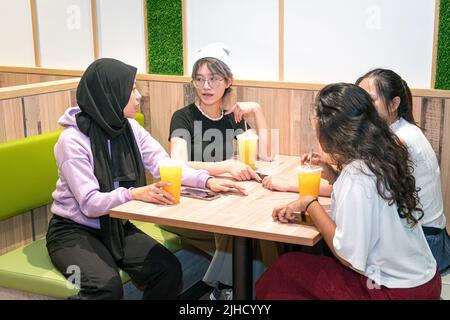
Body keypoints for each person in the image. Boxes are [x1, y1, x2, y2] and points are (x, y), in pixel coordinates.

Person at [46, 58, 242, 300]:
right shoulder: (71, 141)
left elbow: (166, 165)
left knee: (168, 271)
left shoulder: (129, 128)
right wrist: (133, 194)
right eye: (131, 90)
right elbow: (89, 203)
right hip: (73, 231)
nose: (139, 96)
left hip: (116, 225)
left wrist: (206, 181)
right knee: (107, 287)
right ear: (111, 94)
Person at [256, 83, 441, 300]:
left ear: (331, 131)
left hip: (393, 291)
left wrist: (309, 204)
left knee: (283, 272)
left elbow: (348, 255)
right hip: (426, 281)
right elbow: (370, 206)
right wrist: (334, 176)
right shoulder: (383, 156)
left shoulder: (357, 175)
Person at [164, 42, 278, 300]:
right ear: (193, 82)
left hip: (222, 199)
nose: (206, 86)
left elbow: (267, 155)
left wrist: (257, 110)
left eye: (214, 79)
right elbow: (177, 164)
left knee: (253, 223)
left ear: (228, 81)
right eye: (200, 79)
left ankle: (236, 291)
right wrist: (224, 167)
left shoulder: (231, 118)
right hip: (187, 202)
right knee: (238, 226)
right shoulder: (183, 117)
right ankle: (229, 289)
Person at [356, 68, 450, 273]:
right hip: (426, 236)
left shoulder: (400, 140)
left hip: (424, 243)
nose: (364, 107)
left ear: (394, 104)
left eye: (370, 100)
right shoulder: (400, 129)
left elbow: (363, 189)